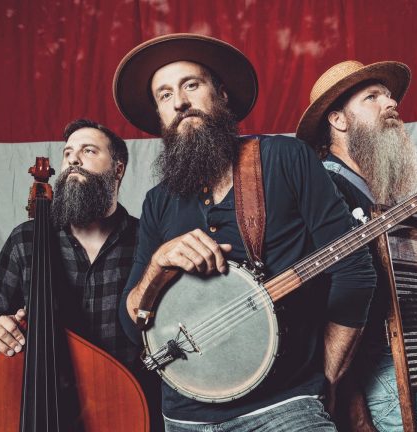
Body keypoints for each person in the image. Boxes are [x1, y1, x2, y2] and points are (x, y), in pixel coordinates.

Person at [114, 34, 376, 431]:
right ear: (161, 117)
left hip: (284, 407)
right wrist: (156, 265)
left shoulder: (286, 158)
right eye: (165, 96)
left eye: (191, 85)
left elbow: (355, 267)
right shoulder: (158, 202)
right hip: (183, 417)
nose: (180, 102)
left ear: (221, 95)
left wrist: (327, 375)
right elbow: (131, 325)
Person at [296, 60, 417, 431]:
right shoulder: (323, 190)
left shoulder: (382, 198)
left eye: (389, 96)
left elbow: (393, 283)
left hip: (406, 362)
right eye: (372, 97)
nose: (390, 104)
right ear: (338, 121)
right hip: (369, 373)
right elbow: (323, 299)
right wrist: (354, 409)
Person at [0, 118, 161, 429]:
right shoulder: (26, 239)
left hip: (126, 409)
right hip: (43, 404)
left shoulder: (148, 241)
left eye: (88, 150)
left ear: (119, 169)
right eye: (68, 152)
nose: (73, 159)